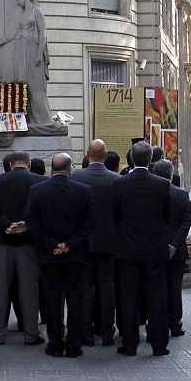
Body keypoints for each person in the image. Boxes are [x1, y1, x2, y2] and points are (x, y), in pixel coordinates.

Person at [26, 153, 94, 358]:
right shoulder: (83, 191)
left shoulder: (37, 190)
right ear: (70, 169)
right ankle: (74, 345)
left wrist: (51, 245)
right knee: (76, 302)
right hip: (75, 256)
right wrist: (69, 245)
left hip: (48, 256)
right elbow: (89, 224)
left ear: (51, 169)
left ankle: (55, 344)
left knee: (52, 301)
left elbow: (32, 221)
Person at [112, 141, 171, 357]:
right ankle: (158, 344)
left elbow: (115, 215)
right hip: (155, 248)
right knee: (157, 297)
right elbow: (167, 216)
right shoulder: (162, 184)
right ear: (150, 159)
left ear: (131, 159)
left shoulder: (120, 184)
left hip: (128, 249)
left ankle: (130, 344)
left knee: (129, 298)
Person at [0, 150, 44, 346]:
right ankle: (31, 334)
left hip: (1, 242)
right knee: (29, 291)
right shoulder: (39, 181)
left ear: (10, 165)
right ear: (28, 164)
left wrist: (6, 225)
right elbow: (40, 210)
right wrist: (24, 225)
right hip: (28, 244)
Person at [72, 139, 119, 347]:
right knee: (106, 287)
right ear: (106, 156)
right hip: (109, 242)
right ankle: (107, 331)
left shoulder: (76, 178)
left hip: (82, 243)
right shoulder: (116, 180)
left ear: (88, 154)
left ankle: (86, 333)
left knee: (85, 287)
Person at [152, 159, 191, 338]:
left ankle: (155, 326)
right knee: (175, 289)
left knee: (155, 289)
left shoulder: (149, 194)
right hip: (177, 251)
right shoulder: (182, 195)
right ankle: (175, 325)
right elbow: (185, 223)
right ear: (171, 173)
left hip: (154, 250)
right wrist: (174, 245)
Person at [13, 0, 54, 131]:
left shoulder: (37, 12)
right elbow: (18, 33)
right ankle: (29, 119)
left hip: (33, 50)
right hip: (22, 50)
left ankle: (43, 120)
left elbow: (43, 34)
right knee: (24, 84)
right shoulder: (22, 13)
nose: (17, 2)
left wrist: (38, 54)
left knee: (36, 86)